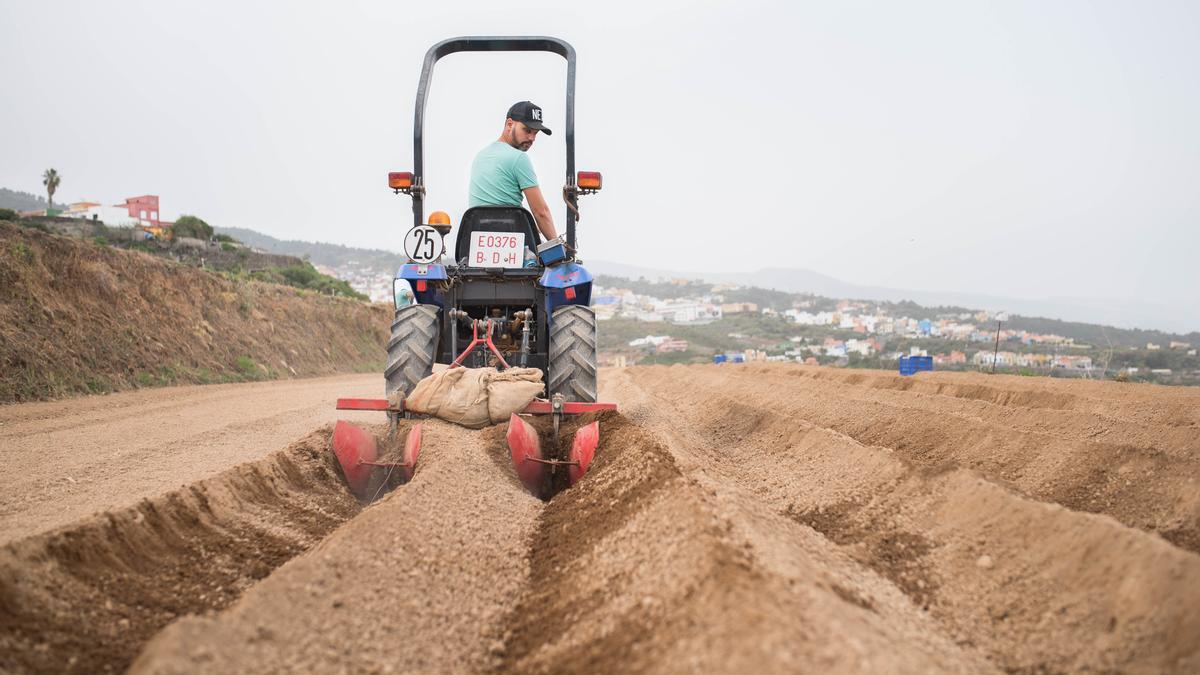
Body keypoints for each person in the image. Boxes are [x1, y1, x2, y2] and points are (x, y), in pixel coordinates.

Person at [468, 101, 558, 240]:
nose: (532, 138)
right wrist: (557, 246)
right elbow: (541, 212)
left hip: (477, 239)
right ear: (510, 124)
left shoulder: (481, 156)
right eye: (527, 130)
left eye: (535, 133)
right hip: (512, 242)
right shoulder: (519, 158)